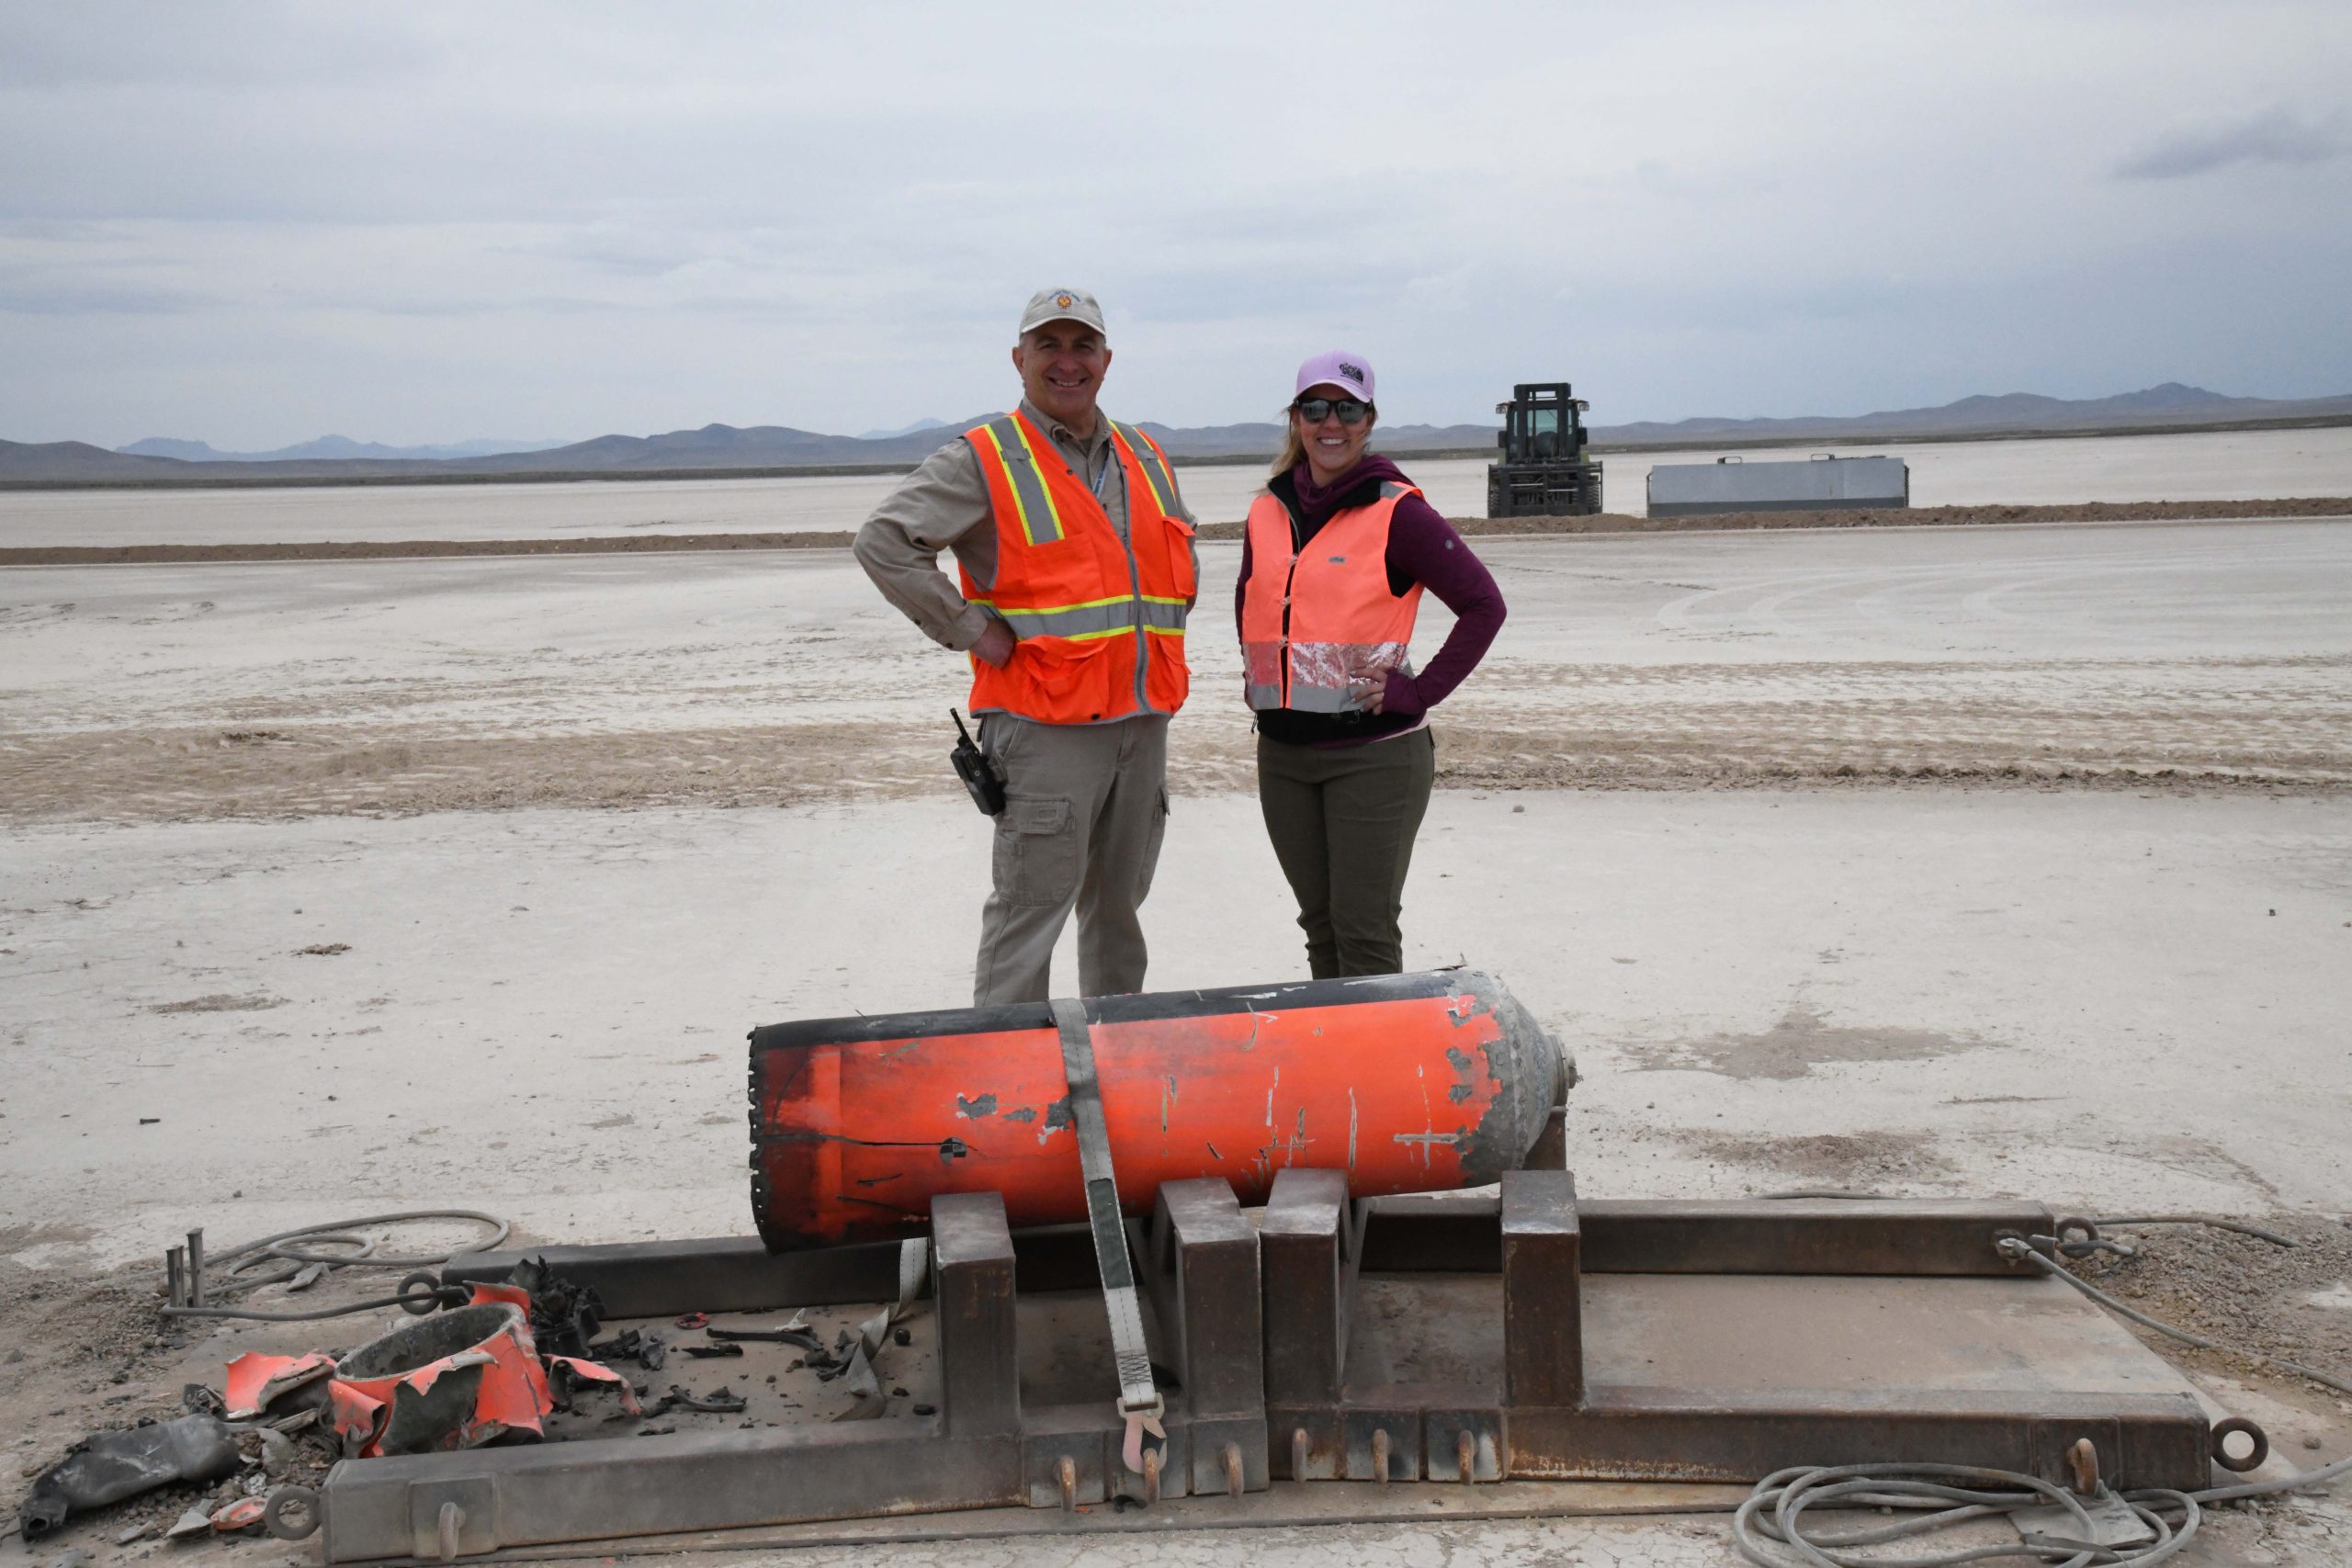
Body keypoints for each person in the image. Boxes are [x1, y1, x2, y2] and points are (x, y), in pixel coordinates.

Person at [855, 288, 1198, 1006]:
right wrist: (971, 630)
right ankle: (1006, 1072)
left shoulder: (1144, 454)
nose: (1067, 362)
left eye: (1083, 346)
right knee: (1027, 919)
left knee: (1118, 916)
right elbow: (884, 542)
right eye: (1049, 346)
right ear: (1019, 359)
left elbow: (1172, 572)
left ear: (1106, 359)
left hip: (1142, 725)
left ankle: (1112, 1057)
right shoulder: (985, 458)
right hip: (1045, 729)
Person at [1237, 351, 1506, 978]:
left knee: (1363, 929)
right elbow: (1255, 602)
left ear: (1369, 420)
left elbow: (1483, 606)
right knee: (1321, 926)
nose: (1331, 422)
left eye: (1347, 409)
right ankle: (1335, 1041)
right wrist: (1263, 680)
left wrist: (1421, 691)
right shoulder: (1266, 509)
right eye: (1315, 408)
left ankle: (1379, 1045)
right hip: (1283, 756)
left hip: (1374, 757)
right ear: (1296, 418)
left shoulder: (1397, 511)